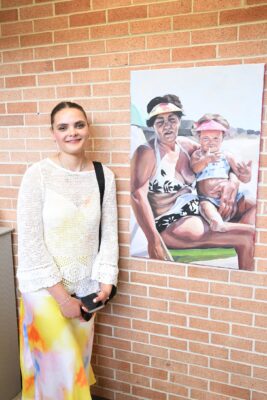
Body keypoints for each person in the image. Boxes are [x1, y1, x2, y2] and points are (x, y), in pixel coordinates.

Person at [17, 101, 119, 399]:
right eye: (63, 127)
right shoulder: (37, 175)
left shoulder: (104, 176)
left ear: (88, 128)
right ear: (53, 133)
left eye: (78, 125)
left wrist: (106, 282)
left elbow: (109, 233)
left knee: (73, 368)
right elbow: (31, 242)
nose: (72, 133)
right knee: (63, 373)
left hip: (86, 291)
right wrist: (62, 299)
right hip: (45, 291)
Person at [131, 94, 255, 270]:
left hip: (200, 209)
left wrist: (233, 182)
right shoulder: (148, 152)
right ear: (153, 126)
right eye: (160, 122)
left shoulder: (185, 146)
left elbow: (220, 160)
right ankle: (244, 284)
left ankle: (238, 263)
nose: (167, 126)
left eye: (172, 120)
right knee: (249, 235)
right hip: (173, 221)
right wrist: (153, 240)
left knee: (255, 208)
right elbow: (137, 196)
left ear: (179, 121)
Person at [190, 113, 256, 232]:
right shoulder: (198, 154)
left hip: (234, 197)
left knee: (256, 204)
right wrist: (206, 160)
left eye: (216, 138)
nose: (211, 142)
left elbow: (243, 178)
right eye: (206, 138)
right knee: (207, 209)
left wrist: (246, 174)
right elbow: (194, 168)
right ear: (199, 138)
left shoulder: (227, 156)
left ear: (222, 138)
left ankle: (249, 227)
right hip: (209, 199)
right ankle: (222, 225)